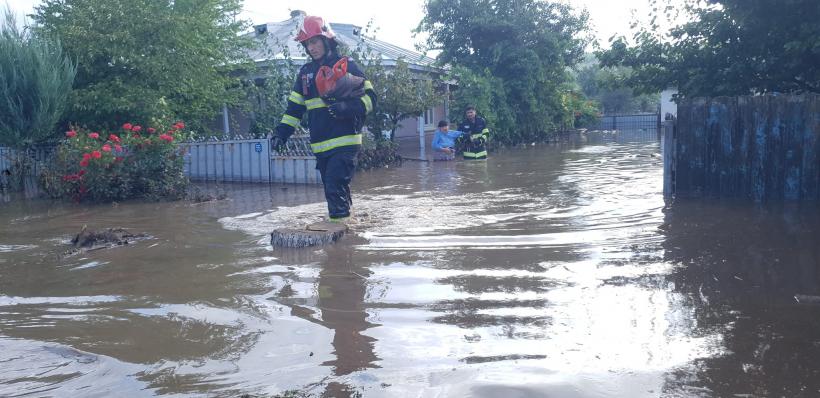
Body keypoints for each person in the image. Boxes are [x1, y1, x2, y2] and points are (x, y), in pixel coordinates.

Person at [272, 15, 377, 224]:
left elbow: (371, 99)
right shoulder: (305, 74)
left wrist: (347, 107)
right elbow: (294, 109)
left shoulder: (346, 66)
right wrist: (281, 133)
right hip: (321, 147)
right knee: (337, 190)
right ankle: (351, 229)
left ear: (326, 40)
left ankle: (338, 249)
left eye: (315, 41)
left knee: (333, 187)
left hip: (345, 143)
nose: (311, 47)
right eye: (307, 43)